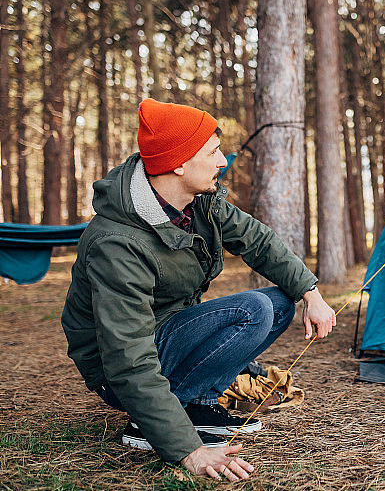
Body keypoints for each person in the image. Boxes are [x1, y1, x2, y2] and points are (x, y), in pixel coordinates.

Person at [61, 99, 336, 481]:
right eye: (212, 151)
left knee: (280, 302)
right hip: (118, 370)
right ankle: (153, 423)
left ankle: (197, 402)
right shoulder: (116, 243)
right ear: (178, 164)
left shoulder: (199, 202)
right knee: (254, 309)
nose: (223, 160)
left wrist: (311, 293)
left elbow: (258, 241)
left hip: (167, 331)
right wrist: (187, 450)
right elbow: (126, 357)